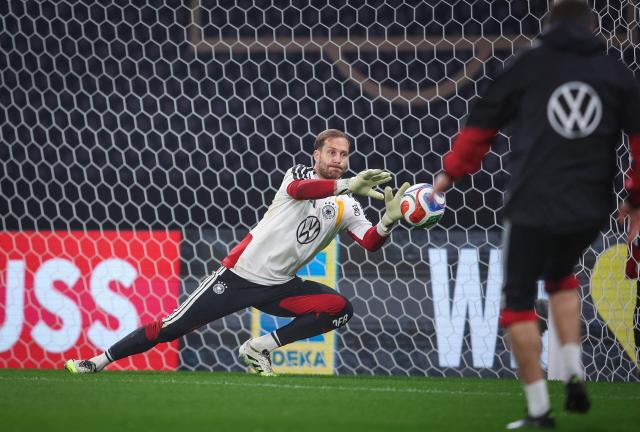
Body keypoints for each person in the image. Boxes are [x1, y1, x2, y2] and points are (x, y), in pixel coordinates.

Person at [430, 0, 640, 428]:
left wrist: (449, 175)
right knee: (562, 274)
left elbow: (478, 130)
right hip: (590, 208)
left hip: (531, 204)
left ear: (547, 25)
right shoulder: (617, 74)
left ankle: (540, 410)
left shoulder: (527, 66)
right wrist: (634, 197)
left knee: (518, 301)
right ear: (592, 27)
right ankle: (576, 373)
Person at [64, 129, 409, 376]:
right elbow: (302, 190)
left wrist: (389, 221)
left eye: (344, 154)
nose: (338, 159)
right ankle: (96, 362)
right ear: (316, 155)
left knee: (339, 309)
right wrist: (347, 183)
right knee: (170, 328)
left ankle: (259, 348)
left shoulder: (347, 204)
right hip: (238, 276)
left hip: (281, 285)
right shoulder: (300, 173)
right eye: (331, 152)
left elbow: (370, 243)